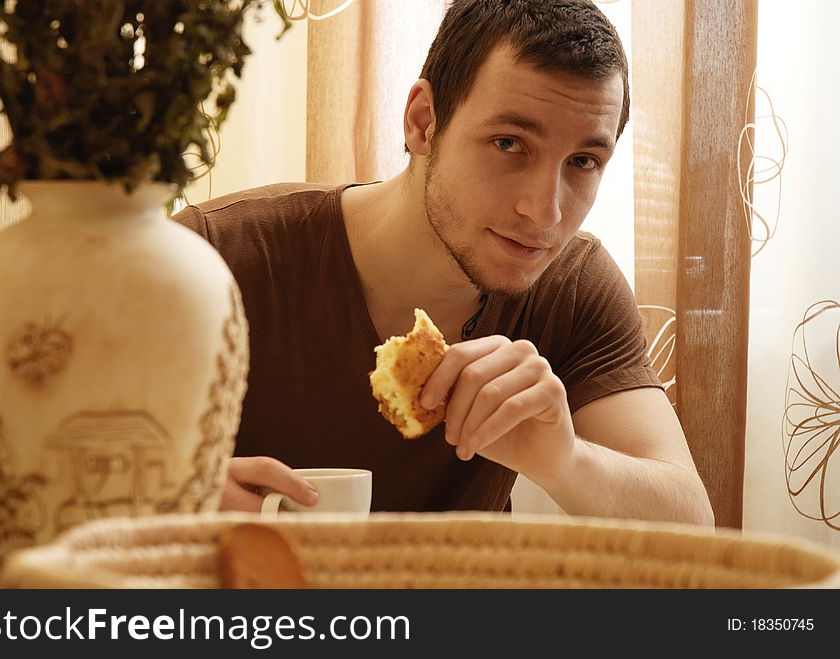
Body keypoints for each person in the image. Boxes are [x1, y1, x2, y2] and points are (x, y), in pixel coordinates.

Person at [174, 0, 714, 526]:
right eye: (509, 144)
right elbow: (90, 468)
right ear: (423, 121)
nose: (544, 213)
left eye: (583, 162)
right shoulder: (207, 257)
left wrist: (566, 461)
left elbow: (691, 521)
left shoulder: (572, 284)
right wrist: (167, 496)